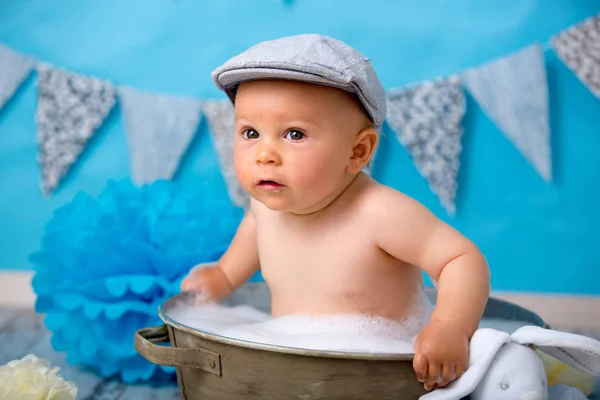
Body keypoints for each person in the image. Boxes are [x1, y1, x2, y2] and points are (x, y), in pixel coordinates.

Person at [181, 34, 490, 391]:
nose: (264, 154)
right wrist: (219, 279)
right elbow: (241, 251)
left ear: (358, 151)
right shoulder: (264, 209)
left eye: (294, 134)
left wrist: (449, 327)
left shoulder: (379, 213)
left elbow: (461, 259)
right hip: (294, 371)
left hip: (380, 376)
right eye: (250, 132)